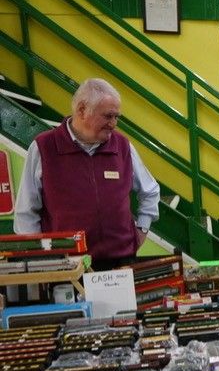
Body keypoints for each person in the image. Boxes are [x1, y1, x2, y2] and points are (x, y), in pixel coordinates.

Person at [14, 78, 160, 271]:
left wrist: (142, 229)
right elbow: (26, 212)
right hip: (67, 265)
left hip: (120, 262)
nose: (113, 124)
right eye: (108, 116)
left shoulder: (122, 146)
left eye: (116, 117)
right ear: (82, 110)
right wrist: (41, 260)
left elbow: (150, 191)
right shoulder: (44, 147)